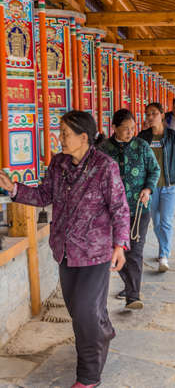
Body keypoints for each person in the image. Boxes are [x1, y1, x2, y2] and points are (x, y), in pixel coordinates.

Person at [0, 110, 130, 388]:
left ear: (84, 137)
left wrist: (120, 244)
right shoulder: (58, 164)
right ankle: (103, 331)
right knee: (81, 311)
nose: (60, 138)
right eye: (60, 133)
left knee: (85, 313)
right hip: (64, 251)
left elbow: (119, 208)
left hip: (95, 252)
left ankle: (88, 376)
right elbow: (44, 195)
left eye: (65, 134)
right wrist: (14, 190)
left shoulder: (105, 166)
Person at [99, 109, 160, 310]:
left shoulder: (141, 146)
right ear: (114, 127)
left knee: (135, 251)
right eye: (126, 129)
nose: (130, 133)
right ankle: (129, 285)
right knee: (115, 250)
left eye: (133, 129)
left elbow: (155, 169)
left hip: (138, 209)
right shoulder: (103, 149)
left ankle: (133, 296)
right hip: (111, 212)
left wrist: (148, 189)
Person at [139, 102, 175, 272]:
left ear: (162, 115)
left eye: (154, 113)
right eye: (147, 114)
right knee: (155, 223)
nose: (150, 117)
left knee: (166, 221)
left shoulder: (173, 137)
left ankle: (164, 255)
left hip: (170, 186)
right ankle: (163, 248)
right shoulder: (143, 137)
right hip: (151, 188)